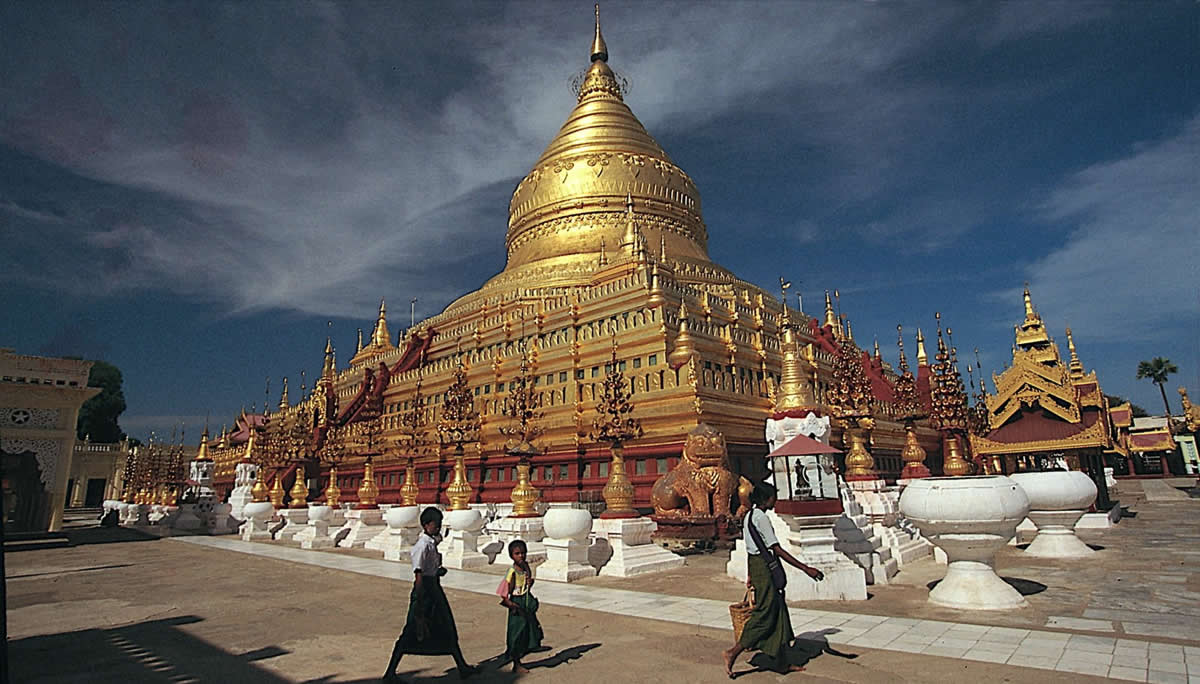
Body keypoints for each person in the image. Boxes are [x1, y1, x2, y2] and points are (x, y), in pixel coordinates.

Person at [723, 483, 824, 678]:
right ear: (767, 499)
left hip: (757, 564)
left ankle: (781, 662)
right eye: (773, 498)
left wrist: (750, 573)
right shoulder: (761, 518)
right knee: (766, 612)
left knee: (778, 611)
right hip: (764, 566)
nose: (775, 501)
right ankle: (733, 652)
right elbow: (775, 548)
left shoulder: (749, 516)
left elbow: (751, 547)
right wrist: (805, 568)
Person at [383, 507, 477, 682]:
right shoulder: (422, 546)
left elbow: (428, 569)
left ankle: (462, 666)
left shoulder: (431, 543)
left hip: (434, 589)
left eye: (440, 524)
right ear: (426, 525)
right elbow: (418, 576)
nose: (438, 528)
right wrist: (419, 604)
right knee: (410, 632)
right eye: (436, 524)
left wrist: (437, 572)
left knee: (447, 628)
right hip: (425, 593)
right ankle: (390, 672)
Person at [499, 539, 543, 674]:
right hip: (517, 604)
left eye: (523, 553)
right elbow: (504, 593)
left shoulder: (525, 567)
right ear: (512, 555)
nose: (521, 556)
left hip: (525, 601)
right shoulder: (511, 572)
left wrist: (530, 582)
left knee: (528, 630)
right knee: (516, 634)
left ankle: (525, 652)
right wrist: (512, 606)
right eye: (517, 554)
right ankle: (516, 663)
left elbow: (527, 583)